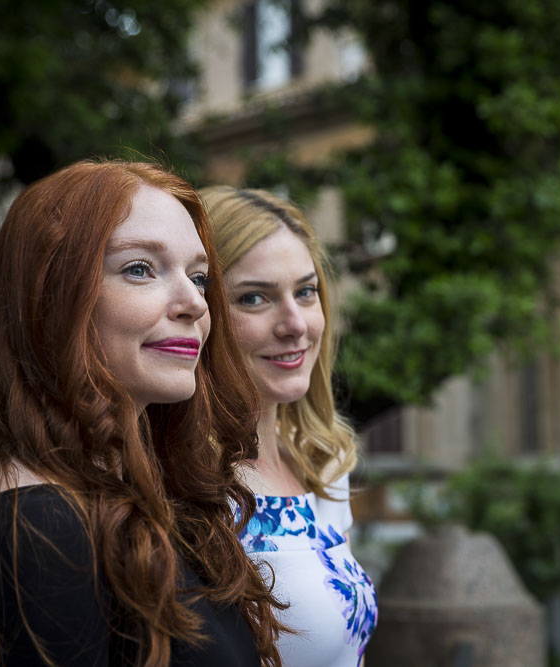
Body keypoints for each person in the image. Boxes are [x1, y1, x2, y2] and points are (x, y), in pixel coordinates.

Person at [0, 161, 285, 666]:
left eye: (199, 277)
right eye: (140, 268)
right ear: (51, 298)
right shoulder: (39, 527)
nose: (193, 301)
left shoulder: (131, 494)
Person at [201, 186, 378, 667]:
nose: (295, 324)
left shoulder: (322, 463)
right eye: (254, 298)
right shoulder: (180, 483)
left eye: (305, 291)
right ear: (199, 312)